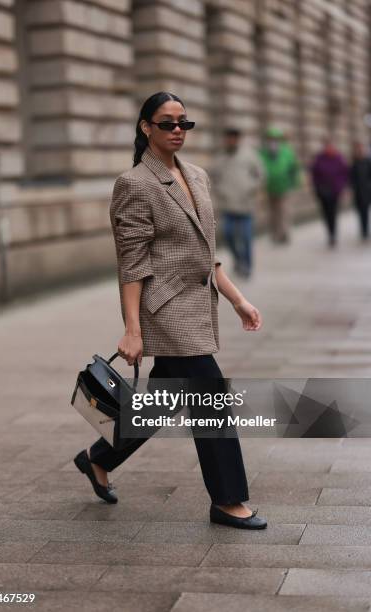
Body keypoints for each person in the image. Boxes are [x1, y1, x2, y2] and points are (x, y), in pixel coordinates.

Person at [74, 91, 267, 530]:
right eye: (167, 123)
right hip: (167, 311)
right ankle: (228, 499)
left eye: (184, 122)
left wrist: (238, 299)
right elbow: (132, 263)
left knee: (161, 402)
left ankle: (96, 458)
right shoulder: (134, 184)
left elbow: (205, 252)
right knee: (210, 395)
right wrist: (132, 329)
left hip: (201, 304)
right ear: (146, 128)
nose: (178, 129)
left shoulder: (197, 175)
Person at [209, 128, 265, 278]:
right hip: (228, 205)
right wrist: (220, 191)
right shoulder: (220, 158)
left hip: (246, 205)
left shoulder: (250, 156)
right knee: (228, 236)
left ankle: (247, 266)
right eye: (228, 138)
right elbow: (212, 178)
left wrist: (251, 187)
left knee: (246, 238)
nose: (231, 141)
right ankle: (238, 260)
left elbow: (261, 174)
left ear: (238, 139)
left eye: (234, 138)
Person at [260, 126, 300, 244]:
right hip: (270, 187)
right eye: (270, 139)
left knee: (283, 211)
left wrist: (294, 182)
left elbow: (294, 168)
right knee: (272, 212)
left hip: (284, 187)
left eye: (275, 139)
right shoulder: (264, 153)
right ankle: (275, 233)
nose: (272, 142)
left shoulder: (287, 152)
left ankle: (284, 233)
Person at [310, 138, 349, 247]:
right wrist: (317, 187)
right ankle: (330, 233)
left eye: (331, 146)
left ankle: (333, 234)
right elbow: (314, 174)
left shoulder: (339, 158)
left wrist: (342, 187)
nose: (329, 148)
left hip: (335, 191)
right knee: (326, 213)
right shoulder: (319, 158)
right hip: (323, 191)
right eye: (327, 146)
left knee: (333, 213)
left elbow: (344, 173)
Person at [350, 141, 371, 241]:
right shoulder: (354, 162)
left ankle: (366, 230)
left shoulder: (368, 162)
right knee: (361, 212)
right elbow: (351, 178)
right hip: (358, 192)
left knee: (366, 211)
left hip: (367, 191)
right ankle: (364, 230)